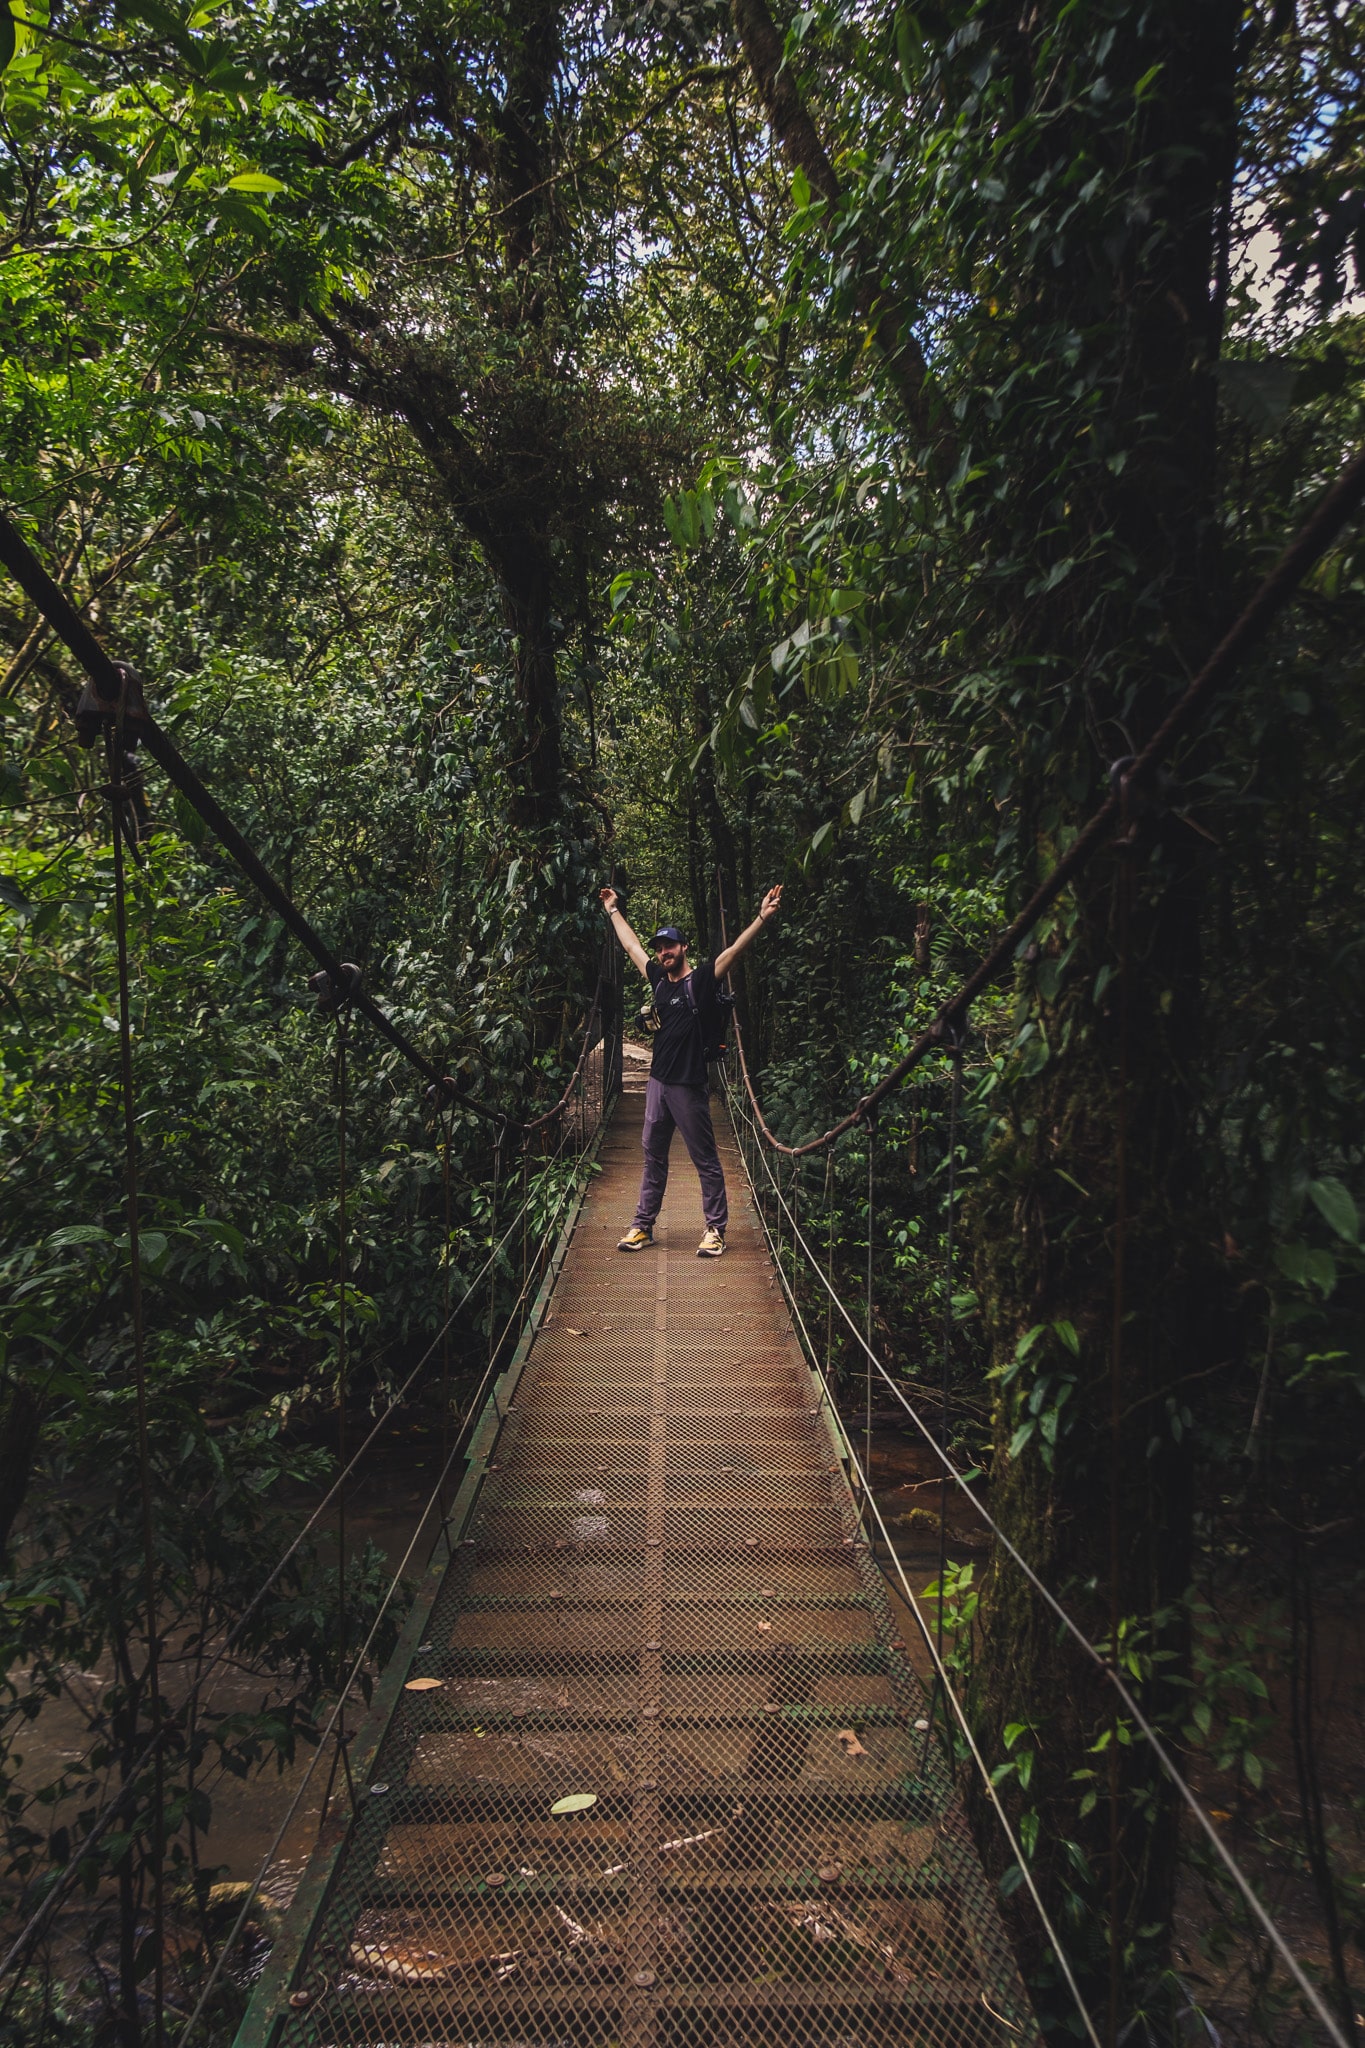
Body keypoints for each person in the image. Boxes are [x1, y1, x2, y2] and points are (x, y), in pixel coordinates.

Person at [599, 883, 782, 1257]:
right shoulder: (658, 982)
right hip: (658, 1084)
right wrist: (613, 911)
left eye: (670, 946)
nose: (663, 952)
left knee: (705, 1160)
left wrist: (761, 918)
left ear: (683, 948)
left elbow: (733, 951)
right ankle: (642, 1226)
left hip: (689, 1086)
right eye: (660, 947)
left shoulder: (699, 980)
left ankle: (715, 1230)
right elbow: (631, 947)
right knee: (652, 1154)